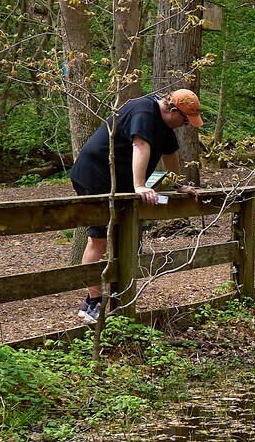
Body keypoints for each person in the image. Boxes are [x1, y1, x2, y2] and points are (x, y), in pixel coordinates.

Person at [69, 88, 203, 322]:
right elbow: (140, 146)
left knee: (125, 239)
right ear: (172, 109)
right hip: (95, 176)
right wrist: (140, 185)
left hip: (119, 183)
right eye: (184, 119)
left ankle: (119, 299)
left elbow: (170, 155)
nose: (185, 124)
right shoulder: (143, 112)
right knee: (98, 240)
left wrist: (178, 184)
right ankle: (92, 302)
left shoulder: (165, 124)